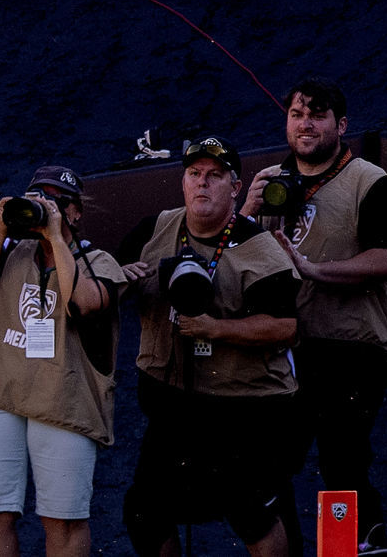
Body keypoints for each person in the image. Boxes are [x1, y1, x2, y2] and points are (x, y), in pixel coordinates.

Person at [118, 137, 300, 557]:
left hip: (244, 405)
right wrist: (118, 279)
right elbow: (108, 282)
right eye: (194, 174)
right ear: (182, 181)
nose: (202, 184)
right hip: (174, 402)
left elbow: (285, 327)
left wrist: (216, 329)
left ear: (235, 188)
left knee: (250, 511)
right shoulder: (153, 229)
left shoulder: (260, 246)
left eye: (215, 176)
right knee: (144, 511)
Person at [239, 78, 387, 542]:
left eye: (318, 114)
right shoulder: (270, 181)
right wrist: (245, 215)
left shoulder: (370, 181)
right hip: (289, 347)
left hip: (354, 345)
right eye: (297, 114)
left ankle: (348, 547)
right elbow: (236, 262)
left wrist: (312, 270)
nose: (306, 123)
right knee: (269, 465)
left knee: (341, 461)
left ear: (341, 124)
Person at [0, 166, 125, 557]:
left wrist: (55, 236)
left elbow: (82, 302)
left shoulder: (99, 261)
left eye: (54, 202)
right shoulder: (12, 253)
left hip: (63, 400)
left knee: (63, 520)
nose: (43, 208)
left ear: (76, 212)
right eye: (36, 200)